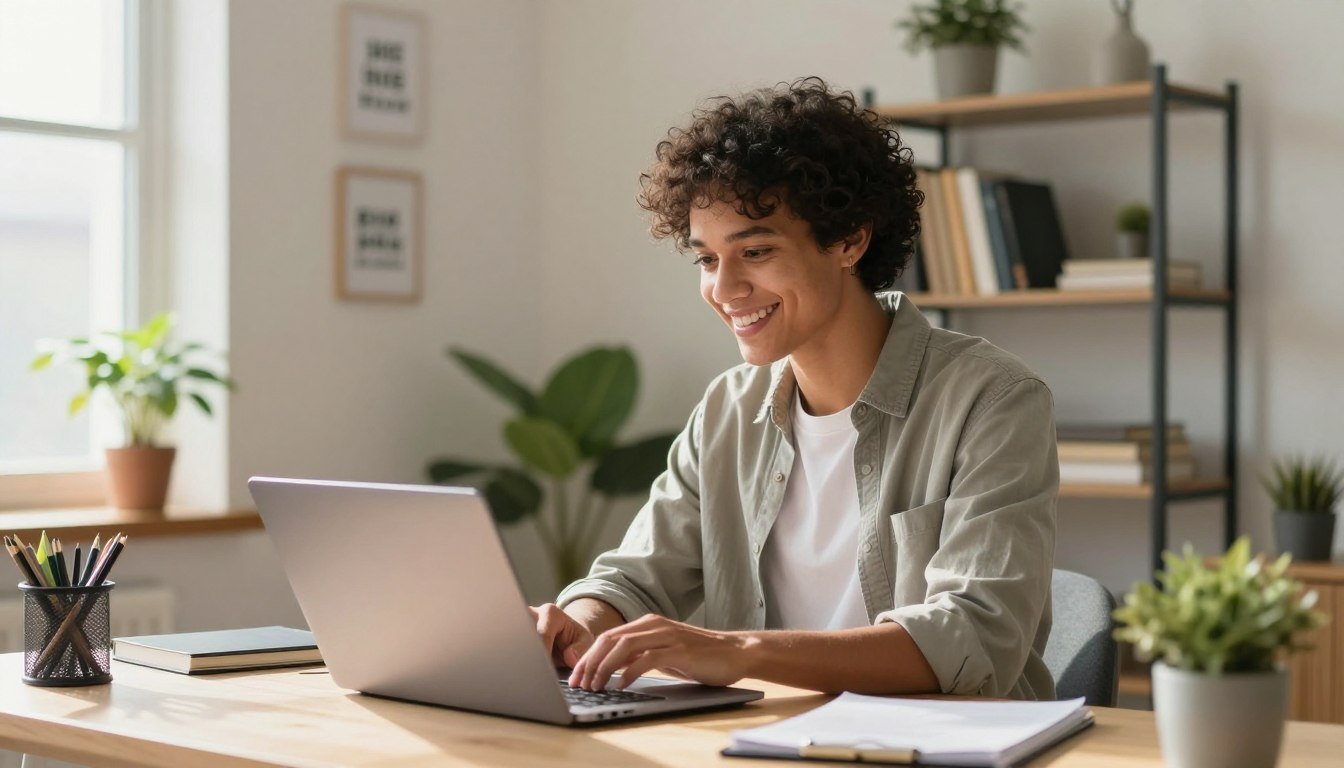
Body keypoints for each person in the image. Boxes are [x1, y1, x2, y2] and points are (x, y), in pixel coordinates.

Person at [531, 77, 1059, 700]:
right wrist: (579, 624)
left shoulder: (992, 399)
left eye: (754, 251)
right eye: (706, 259)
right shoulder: (729, 408)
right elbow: (638, 578)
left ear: (849, 240)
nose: (724, 289)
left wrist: (738, 652)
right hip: (767, 741)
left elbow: (973, 636)